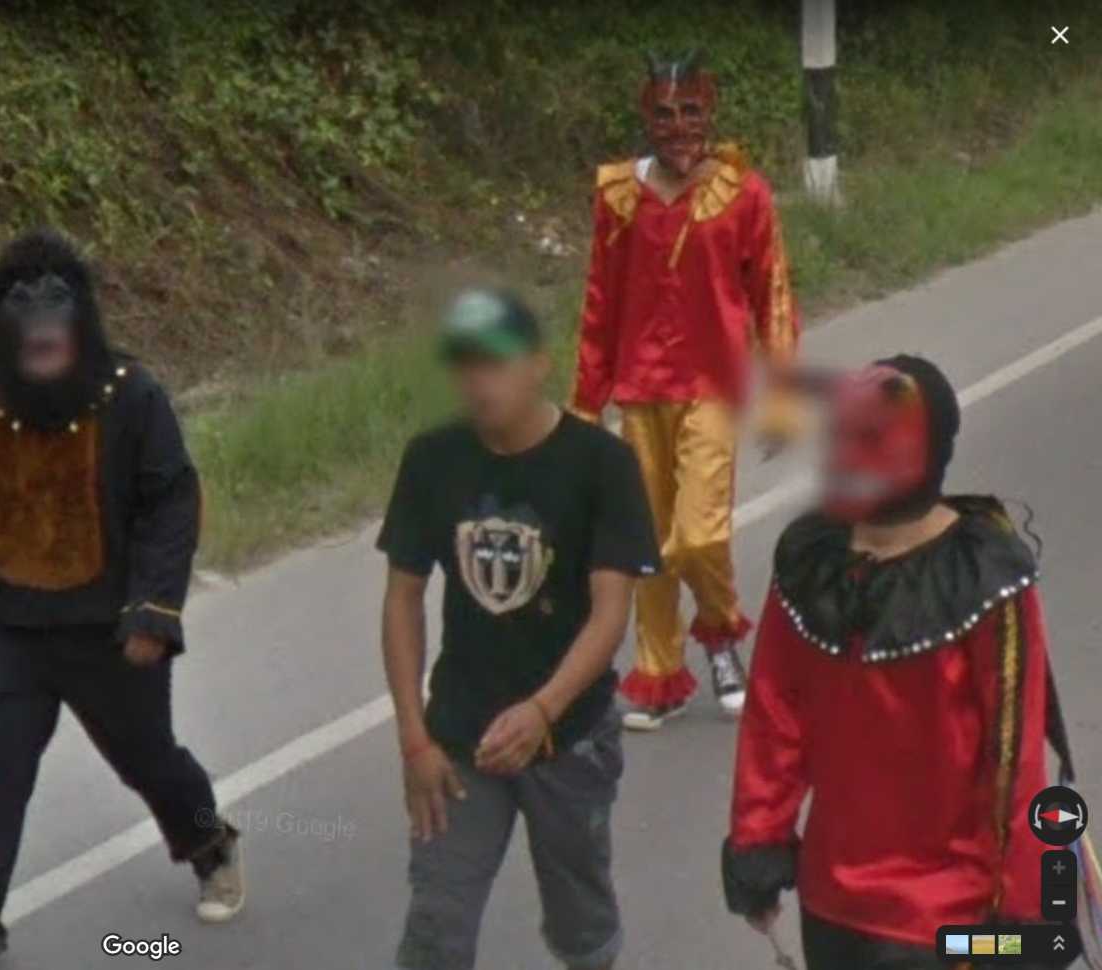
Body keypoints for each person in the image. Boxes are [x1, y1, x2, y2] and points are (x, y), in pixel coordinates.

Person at [0, 229, 241, 969]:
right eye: (22, 308)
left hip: (113, 629)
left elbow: (171, 503)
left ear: (82, 318)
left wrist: (154, 611)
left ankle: (211, 843)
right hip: (19, 629)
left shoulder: (132, 394)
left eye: (55, 307)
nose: (41, 326)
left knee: (149, 762)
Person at [723, 356, 1074, 970]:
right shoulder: (815, 563)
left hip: (922, 918)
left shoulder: (980, 576)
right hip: (899, 917)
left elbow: (774, 723)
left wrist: (759, 844)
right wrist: (1029, 921)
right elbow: (1016, 764)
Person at [380, 289, 661, 970]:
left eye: (496, 364)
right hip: (459, 736)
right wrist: (414, 739)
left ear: (538, 364)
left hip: (569, 737)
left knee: (579, 922)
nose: (479, 382)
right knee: (436, 926)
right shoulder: (432, 458)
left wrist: (543, 710)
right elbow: (402, 598)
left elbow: (610, 613)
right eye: (466, 366)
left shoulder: (601, 464)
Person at [569, 50, 801, 730]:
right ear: (646, 117)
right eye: (664, 114)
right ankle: (658, 672)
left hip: (712, 388)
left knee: (696, 535)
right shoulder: (619, 194)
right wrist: (585, 401)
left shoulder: (743, 193)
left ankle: (722, 634)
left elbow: (772, 294)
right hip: (640, 389)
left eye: (690, 111)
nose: (678, 127)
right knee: (646, 538)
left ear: (711, 111)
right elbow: (600, 299)